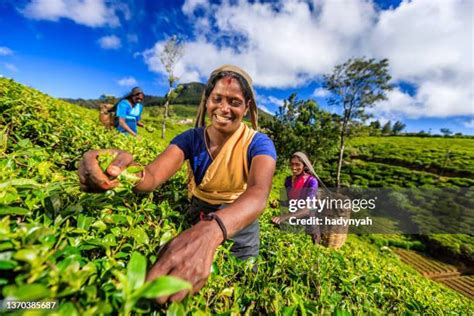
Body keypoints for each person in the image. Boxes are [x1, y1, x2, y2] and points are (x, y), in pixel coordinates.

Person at [78, 65, 276, 303]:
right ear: (207, 101)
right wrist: (120, 170)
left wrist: (211, 232)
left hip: (240, 225)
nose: (224, 108)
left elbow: (258, 193)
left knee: (238, 290)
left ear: (246, 108)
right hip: (199, 215)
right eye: (217, 99)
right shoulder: (190, 139)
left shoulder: (259, 143)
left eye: (234, 102)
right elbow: (151, 176)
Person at [271, 152, 320, 243]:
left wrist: (285, 217)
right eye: (292, 164)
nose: (294, 167)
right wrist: (278, 203)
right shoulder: (288, 180)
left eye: (297, 164)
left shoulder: (311, 182)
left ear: (304, 165)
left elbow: (308, 208)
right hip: (293, 220)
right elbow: (291, 202)